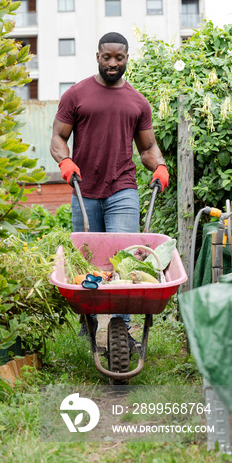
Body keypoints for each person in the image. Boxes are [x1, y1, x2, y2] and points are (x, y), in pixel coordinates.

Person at [50, 31, 168, 347]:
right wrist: (65, 162)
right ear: (98, 56)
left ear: (127, 58)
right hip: (83, 188)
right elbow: (58, 138)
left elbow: (147, 147)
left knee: (125, 259)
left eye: (119, 57)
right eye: (107, 57)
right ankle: (87, 326)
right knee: (86, 260)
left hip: (123, 189)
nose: (113, 63)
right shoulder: (77, 95)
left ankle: (121, 327)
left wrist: (159, 166)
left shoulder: (137, 102)